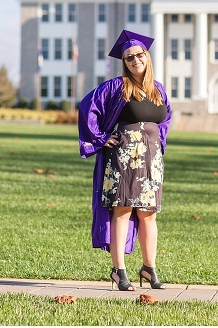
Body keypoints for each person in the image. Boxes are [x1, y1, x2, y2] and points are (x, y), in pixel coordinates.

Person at [78, 30, 172, 291]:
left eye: (139, 55)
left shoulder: (158, 89)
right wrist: (100, 138)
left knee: (148, 214)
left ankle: (148, 267)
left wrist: (156, 143)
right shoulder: (117, 87)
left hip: (151, 160)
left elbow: (164, 120)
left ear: (147, 57)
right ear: (125, 62)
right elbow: (88, 107)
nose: (135, 60)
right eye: (129, 57)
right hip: (124, 158)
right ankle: (119, 271)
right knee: (122, 210)